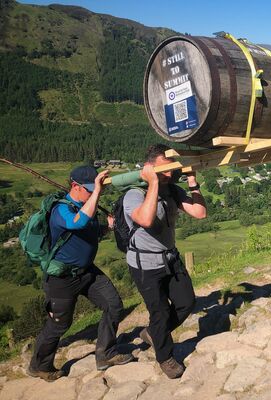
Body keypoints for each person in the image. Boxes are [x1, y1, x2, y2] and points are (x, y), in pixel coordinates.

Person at [29, 166, 133, 381]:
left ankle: (106, 353)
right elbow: (78, 223)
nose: (94, 193)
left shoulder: (88, 206)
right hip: (62, 278)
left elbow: (91, 231)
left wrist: (108, 228)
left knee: (114, 305)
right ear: (75, 186)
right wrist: (96, 193)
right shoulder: (61, 210)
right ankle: (39, 366)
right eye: (89, 189)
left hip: (87, 272)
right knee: (59, 325)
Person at [123, 144, 206, 379]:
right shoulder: (134, 194)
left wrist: (192, 181)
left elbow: (200, 213)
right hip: (145, 265)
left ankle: (153, 333)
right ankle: (165, 357)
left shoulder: (171, 190)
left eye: (173, 168)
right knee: (158, 311)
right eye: (165, 169)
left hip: (170, 258)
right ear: (150, 167)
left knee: (186, 302)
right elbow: (146, 220)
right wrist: (153, 183)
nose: (170, 174)